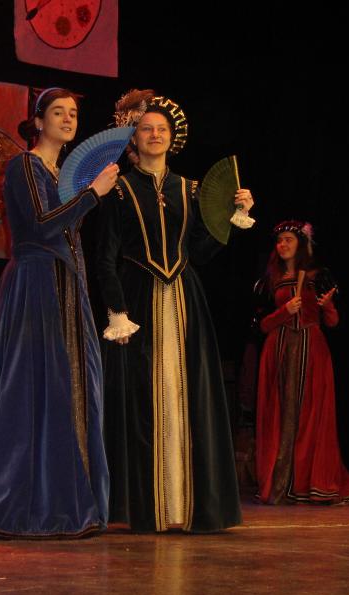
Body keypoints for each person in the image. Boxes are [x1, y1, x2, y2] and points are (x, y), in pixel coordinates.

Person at [0, 87, 119, 539]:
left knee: (71, 389)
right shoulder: (24, 165)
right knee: (34, 390)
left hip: (68, 286)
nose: (68, 119)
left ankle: (65, 501)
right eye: (58, 112)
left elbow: (68, 233)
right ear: (38, 121)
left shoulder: (63, 174)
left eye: (73, 113)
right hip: (36, 284)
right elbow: (41, 227)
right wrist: (92, 195)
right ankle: (20, 504)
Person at [95, 89, 252, 532]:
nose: (155, 135)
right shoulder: (118, 189)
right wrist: (117, 311)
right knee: (141, 402)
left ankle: (186, 507)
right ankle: (147, 508)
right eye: (146, 129)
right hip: (137, 299)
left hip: (185, 301)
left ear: (172, 138)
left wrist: (233, 217)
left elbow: (198, 252)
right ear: (134, 137)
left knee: (186, 396)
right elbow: (104, 258)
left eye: (161, 129)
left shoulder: (190, 189)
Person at [254, 220, 349, 505]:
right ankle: (281, 484)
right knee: (282, 416)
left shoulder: (318, 276)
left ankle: (310, 483)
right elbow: (261, 326)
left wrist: (328, 307)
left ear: (301, 244)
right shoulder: (270, 281)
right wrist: (284, 312)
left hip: (311, 350)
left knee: (311, 415)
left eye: (289, 240)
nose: (283, 245)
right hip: (279, 351)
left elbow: (333, 323)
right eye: (279, 241)